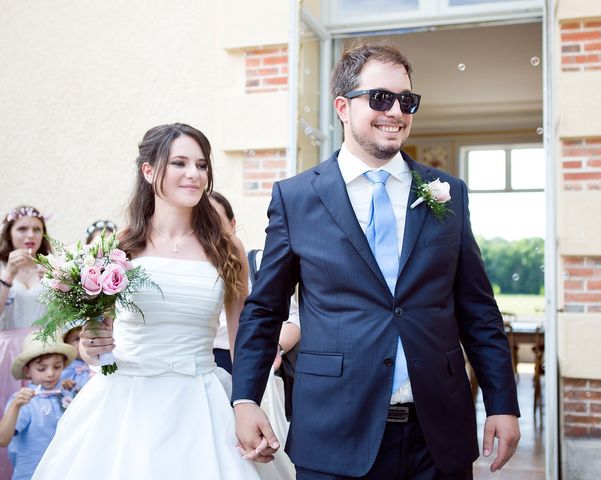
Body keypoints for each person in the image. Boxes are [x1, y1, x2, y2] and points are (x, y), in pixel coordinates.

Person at [232, 41, 521, 480]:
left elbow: (478, 309)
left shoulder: (448, 192)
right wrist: (246, 398)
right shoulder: (296, 198)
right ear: (343, 107)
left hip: (438, 436)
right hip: (334, 432)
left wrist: (502, 402)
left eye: (407, 100)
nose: (396, 111)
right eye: (381, 98)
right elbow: (265, 308)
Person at [32, 123, 260, 479]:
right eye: (179, 163)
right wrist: (93, 348)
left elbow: (242, 338)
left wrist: (247, 403)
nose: (194, 175)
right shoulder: (120, 245)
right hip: (126, 404)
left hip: (201, 403)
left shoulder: (227, 248)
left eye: (201, 165)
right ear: (149, 170)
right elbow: (97, 343)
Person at [209, 191, 300, 376]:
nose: (210, 233)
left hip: (251, 362)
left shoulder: (258, 264)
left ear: (232, 224)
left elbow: (293, 320)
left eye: (216, 223)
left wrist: (275, 347)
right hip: (202, 364)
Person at [0, 205, 51, 479]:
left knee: (41, 420)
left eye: (37, 229)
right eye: (22, 229)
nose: (30, 235)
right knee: (8, 415)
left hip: (45, 350)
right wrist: (8, 275)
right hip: (8, 351)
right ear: (9, 233)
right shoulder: (0, 266)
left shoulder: (51, 266)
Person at [0, 332, 75, 480]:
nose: (50, 374)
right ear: (27, 371)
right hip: (31, 473)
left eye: (57, 366)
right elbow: (2, 440)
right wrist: (15, 406)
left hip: (64, 471)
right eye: (41, 368)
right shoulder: (23, 401)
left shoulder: (67, 393)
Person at [59, 321, 93, 395]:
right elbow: (64, 387)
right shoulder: (68, 366)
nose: (84, 341)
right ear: (67, 345)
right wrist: (68, 385)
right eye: (77, 339)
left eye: (88, 336)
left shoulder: (98, 358)